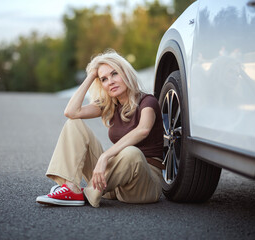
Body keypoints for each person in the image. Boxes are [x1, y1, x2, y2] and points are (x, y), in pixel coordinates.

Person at [36, 50, 164, 208]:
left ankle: (87, 193)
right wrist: (91, 76)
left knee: (132, 153)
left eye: (114, 74)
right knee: (74, 124)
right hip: (112, 184)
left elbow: (142, 130)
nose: (110, 81)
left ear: (126, 73)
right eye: (104, 79)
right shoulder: (110, 104)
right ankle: (70, 188)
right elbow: (71, 112)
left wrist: (105, 157)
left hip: (143, 185)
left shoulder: (148, 101)